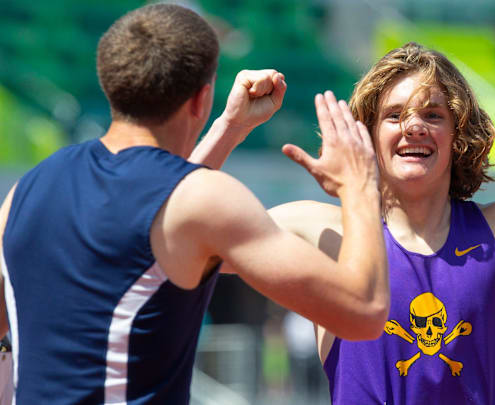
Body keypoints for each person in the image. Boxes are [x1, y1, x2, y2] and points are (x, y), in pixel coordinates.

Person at [197, 42, 495, 403]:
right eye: (394, 115)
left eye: (432, 114)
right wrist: (230, 126)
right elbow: (166, 239)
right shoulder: (323, 232)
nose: (413, 125)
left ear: (458, 136)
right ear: (367, 135)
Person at [0, 4, 390, 404]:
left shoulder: (27, 191)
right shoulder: (206, 199)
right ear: (202, 98)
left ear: (110, 82)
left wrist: (230, 127)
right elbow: (362, 311)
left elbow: (160, 211)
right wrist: (359, 183)